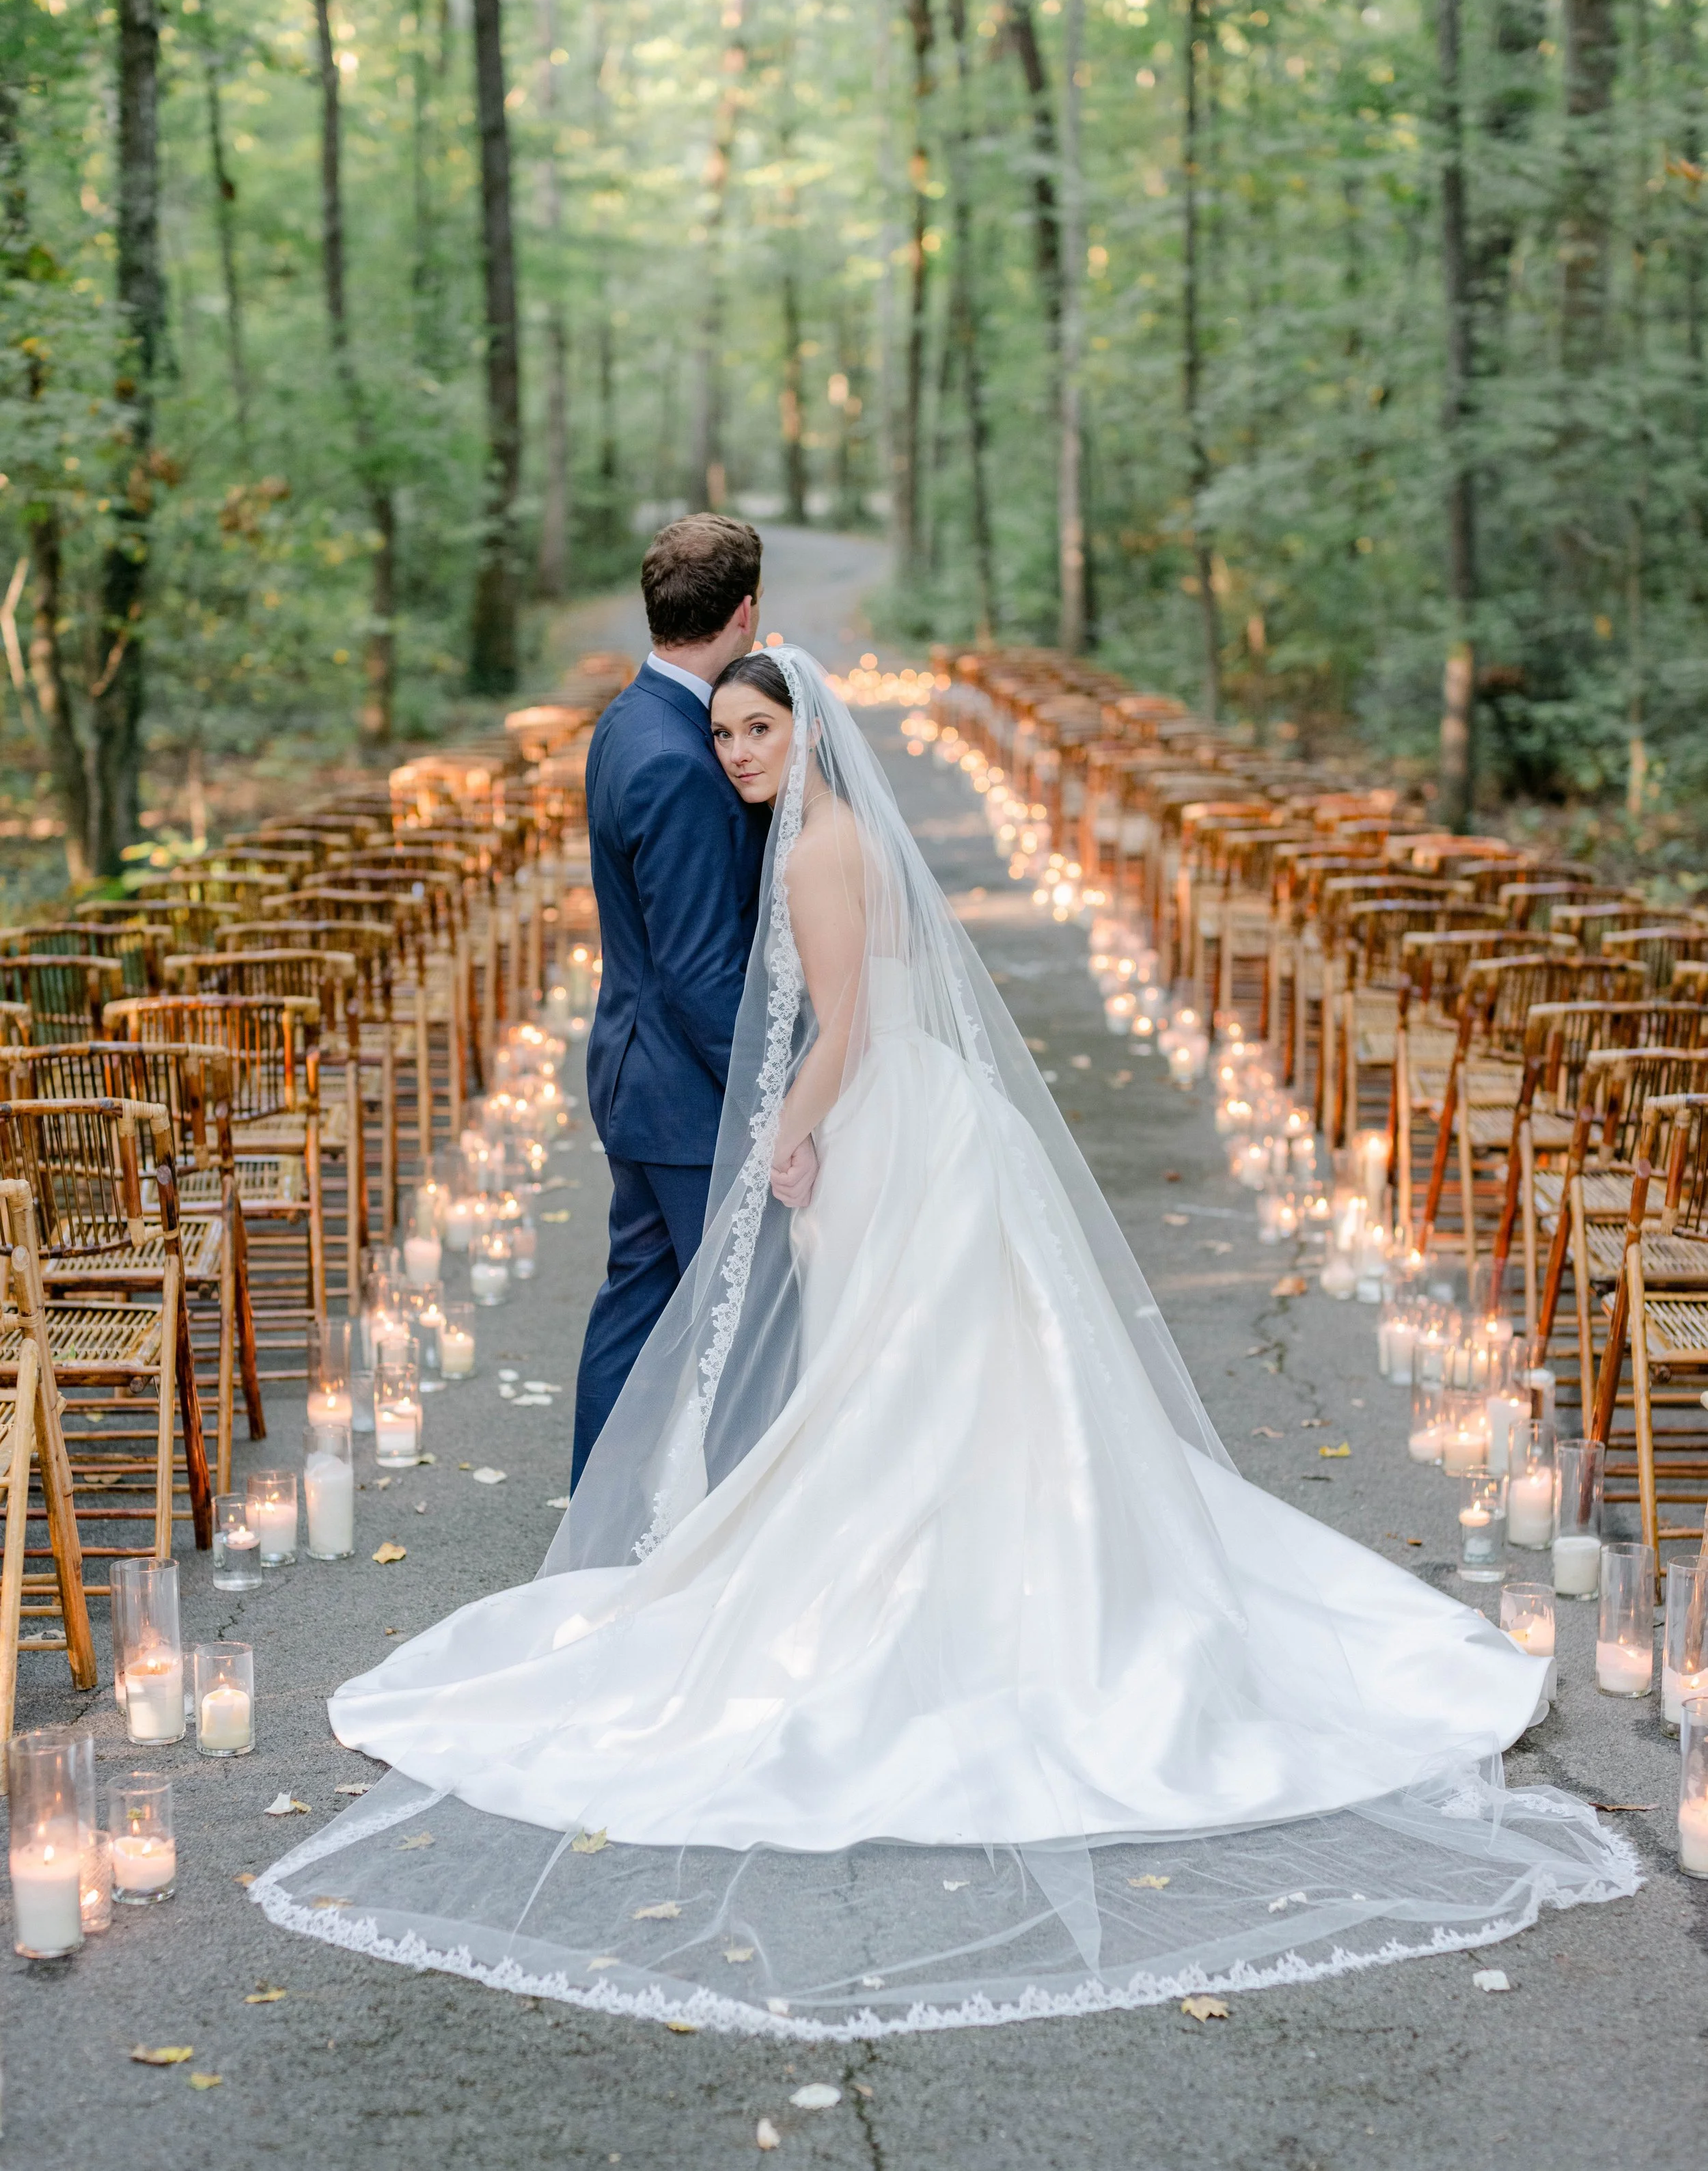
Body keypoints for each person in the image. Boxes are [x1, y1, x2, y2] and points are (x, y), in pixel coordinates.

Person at [256, 648, 1635, 2038]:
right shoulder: (827, 832)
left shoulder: (811, 852)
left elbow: (844, 1023)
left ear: (805, 730)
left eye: (755, 729)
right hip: (919, 1122)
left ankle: (930, 1594)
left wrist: (782, 1139)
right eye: (725, 732)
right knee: (934, 1379)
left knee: (895, 1377)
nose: (735, 754)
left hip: (883, 1133)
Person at [573, 514, 772, 1484]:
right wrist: (770, 1101)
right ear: (747, 613)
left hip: (635, 1069)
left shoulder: (631, 720)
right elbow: (698, 970)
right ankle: (729, 1531)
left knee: (640, 1302)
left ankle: (599, 1514)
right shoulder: (678, 760)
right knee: (736, 1322)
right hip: (683, 1094)